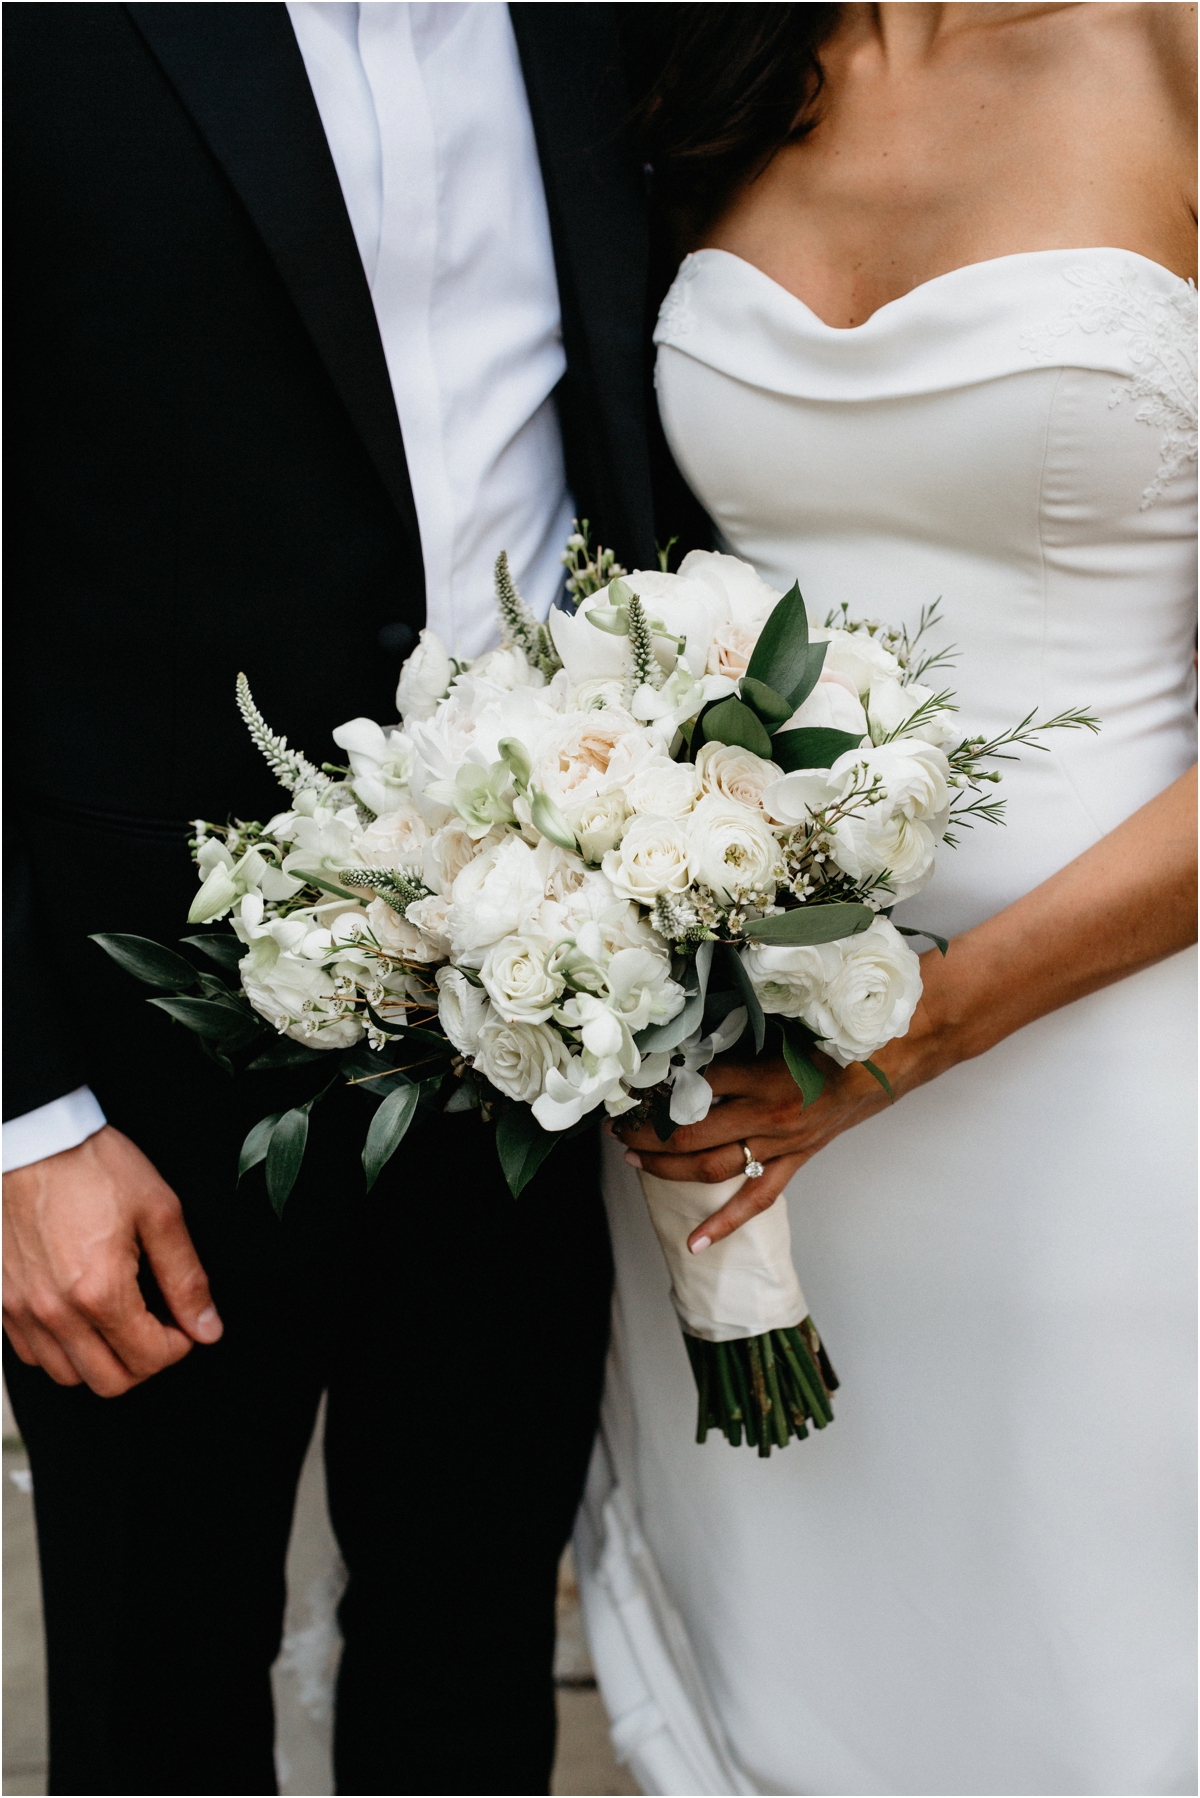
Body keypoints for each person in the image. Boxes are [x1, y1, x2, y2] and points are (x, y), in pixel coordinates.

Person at [2, 6, 684, 1793]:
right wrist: (17, 1116)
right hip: (133, 1082)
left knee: (470, 1679)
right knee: (158, 1715)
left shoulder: (625, 26)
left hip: (545, 1023)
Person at [578, 6, 1198, 1794]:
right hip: (746, 1099)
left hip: (1106, 1074)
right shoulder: (695, 64)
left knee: (1091, 1655)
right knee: (805, 1665)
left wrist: (921, 1029)